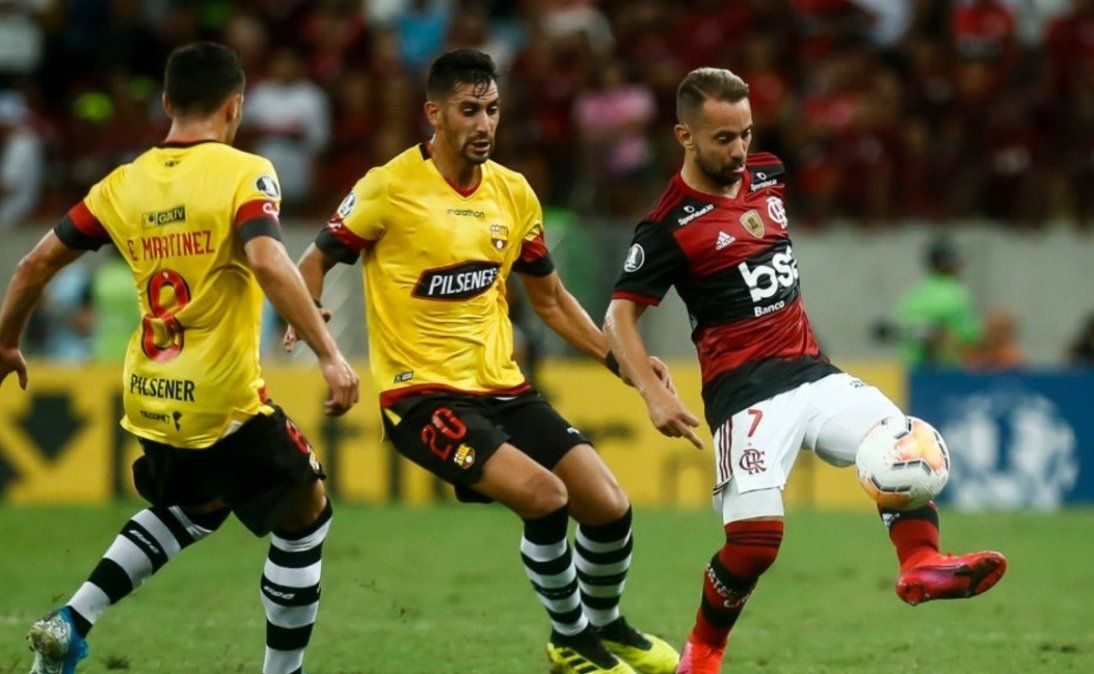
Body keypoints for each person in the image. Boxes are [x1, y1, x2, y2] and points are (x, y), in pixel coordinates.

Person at [603, 67, 1008, 674]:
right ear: (684, 136)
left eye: (744, 133)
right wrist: (651, 393)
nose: (738, 150)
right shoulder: (668, 226)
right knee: (756, 541)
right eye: (722, 139)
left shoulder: (766, 175)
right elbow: (618, 317)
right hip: (745, 396)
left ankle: (919, 564)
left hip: (813, 373)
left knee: (903, 442)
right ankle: (703, 653)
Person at [286, 49, 678, 674]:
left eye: (492, 109)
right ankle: (572, 642)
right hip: (422, 399)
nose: (484, 124)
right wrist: (317, 337)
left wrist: (623, 364)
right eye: (469, 110)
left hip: (505, 389)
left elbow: (549, 300)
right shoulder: (387, 188)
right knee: (546, 498)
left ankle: (608, 628)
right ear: (434, 114)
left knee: (608, 505)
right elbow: (311, 262)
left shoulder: (513, 193)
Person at [0, 42, 359, 674]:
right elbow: (269, 258)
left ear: (165, 103)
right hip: (221, 399)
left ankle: (70, 621)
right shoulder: (245, 172)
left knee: (194, 508)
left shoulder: (122, 183)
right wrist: (329, 354)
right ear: (236, 106)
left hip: (151, 394)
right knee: (307, 513)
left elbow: (33, 265)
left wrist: (5, 342)